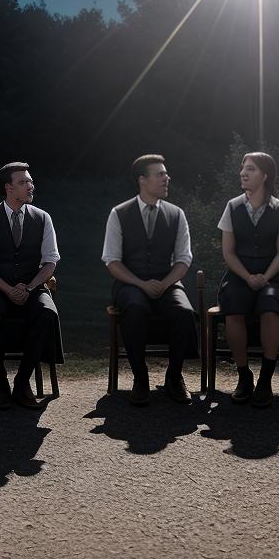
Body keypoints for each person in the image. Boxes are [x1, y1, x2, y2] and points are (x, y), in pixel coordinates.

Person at [102, 154, 196, 405]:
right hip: (131, 283)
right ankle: (140, 379)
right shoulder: (119, 213)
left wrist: (165, 284)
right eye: (160, 174)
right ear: (142, 180)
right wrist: (141, 284)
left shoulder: (177, 214)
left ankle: (174, 378)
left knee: (184, 312)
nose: (167, 178)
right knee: (134, 307)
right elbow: (112, 260)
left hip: (168, 282)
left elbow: (183, 259)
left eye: (166, 174)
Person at [0, 162, 62, 410]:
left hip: (33, 286)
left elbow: (50, 260)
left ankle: (23, 383)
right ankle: (0, 383)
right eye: (24, 182)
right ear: (8, 188)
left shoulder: (43, 218)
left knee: (47, 312)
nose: (31, 186)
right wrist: (7, 289)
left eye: (30, 181)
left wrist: (31, 287)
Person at [217, 152, 279, 407]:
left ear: (265, 175)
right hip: (240, 275)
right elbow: (228, 252)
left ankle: (265, 380)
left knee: (270, 308)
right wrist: (248, 277)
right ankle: (244, 376)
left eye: (250, 169)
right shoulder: (232, 206)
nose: (243, 173)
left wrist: (264, 277)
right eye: (242, 168)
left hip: (273, 276)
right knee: (233, 309)